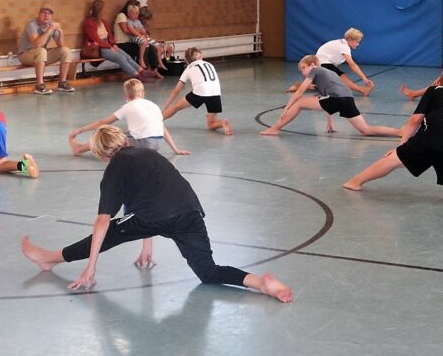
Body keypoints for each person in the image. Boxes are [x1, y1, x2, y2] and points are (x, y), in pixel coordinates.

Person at [21, 125, 293, 301]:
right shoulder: (147, 154)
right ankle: (260, 283)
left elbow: (102, 222)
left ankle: (50, 258)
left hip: (156, 216)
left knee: (112, 230)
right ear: (123, 141)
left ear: (102, 154)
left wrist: (90, 268)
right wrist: (147, 242)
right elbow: (147, 194)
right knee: (208, 271)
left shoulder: (114, 168)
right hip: (190, 211)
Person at [344, 68, 443, 217]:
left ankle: (355, 182)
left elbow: (415, 120)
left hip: (434, 138)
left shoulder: (434, 90)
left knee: (392, 160)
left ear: (439, 81)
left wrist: (400, 147)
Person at [261, 56, 401, 137]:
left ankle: (275, 129)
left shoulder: (315, 71)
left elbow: (299, 92)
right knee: (366, 130)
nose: (303, 72)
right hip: (348, 99)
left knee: (300, 103)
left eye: (303, 68)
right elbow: (327, 101)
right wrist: (330, 125)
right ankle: (400, 132)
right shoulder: (326, 75)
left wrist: (288, 107)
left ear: (312, 65)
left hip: (337, 99)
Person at [69, 79, 190, 156]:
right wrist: (175, 149)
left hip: (143, 144)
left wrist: (80, 129)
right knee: (127, 133)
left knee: (109, 136)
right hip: (156, 146)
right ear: (143, 94)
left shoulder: (128, 106)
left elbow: (103, 122)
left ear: (125, 96)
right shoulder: (153, 106)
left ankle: (79, 149)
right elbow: (162, 128)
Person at [81, 0, 157, 83]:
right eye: (103, 9)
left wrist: (113, 44)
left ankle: (142, 71)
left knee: (127, 56)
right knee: (120, 58)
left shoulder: (103, 22)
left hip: (108, 44)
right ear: (98, 10)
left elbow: (109, 35)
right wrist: (109, 46)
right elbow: (96, 39)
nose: (105, 11)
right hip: (98, 47)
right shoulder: (89, 23)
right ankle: (137, 76)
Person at [161, 48, 233, 135]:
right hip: (215, 93)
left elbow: (176, 91)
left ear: (187, 61)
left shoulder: (189, 68)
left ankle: (157, 120)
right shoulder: (209, 64)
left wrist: (164, 107)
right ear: (201, 56)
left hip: (201, 91)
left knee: (176, 107)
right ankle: (222, 123)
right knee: (211, 125)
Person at [17, 5, 76, 95]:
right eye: (44, 13)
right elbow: (37, 44)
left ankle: (62, 83)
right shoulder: (32, 25)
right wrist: (50, 29)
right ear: (38, 14)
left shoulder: (51, 24)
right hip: (25, 54)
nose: (46, 15)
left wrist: (60, 31)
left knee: (65, 50)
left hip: (41, 55)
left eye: (49, 13)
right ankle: (39, 85)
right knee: (41, 50)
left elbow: (61, 45)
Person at [314, 28, 375, 96]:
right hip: (322, 62)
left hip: (322, 62)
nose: (358, 44)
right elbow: (352, 64)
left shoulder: (342, 43)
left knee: (332, 81)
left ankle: (306, 85)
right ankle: (362, 90)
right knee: (341, 77)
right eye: (357, 42)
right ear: (349, 39)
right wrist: (364, 78)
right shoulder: (344, 47)